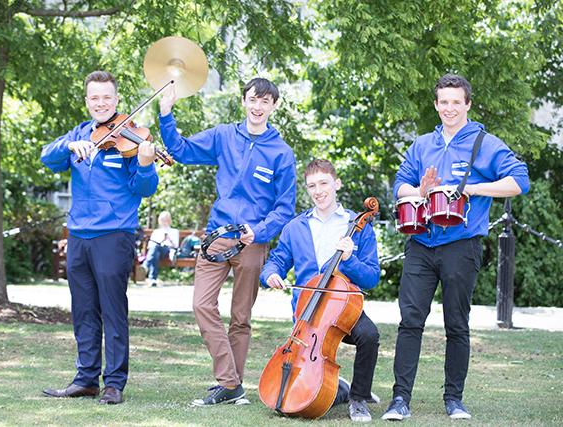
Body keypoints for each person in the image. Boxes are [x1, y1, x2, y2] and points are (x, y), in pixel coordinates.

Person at [382, 74, 530, 421]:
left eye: (456, 102)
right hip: (420, 243)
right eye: (443, 102)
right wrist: (419, 191)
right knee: (410, 322)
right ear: (436, 105)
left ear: (467, 105)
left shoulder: (486, 144)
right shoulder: (421, 145)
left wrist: (474, 190)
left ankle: (454, 400)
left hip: (461, 245)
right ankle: (400, 400)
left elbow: (519, 182)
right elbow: (399, 186)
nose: (449, 108)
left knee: (457, 324)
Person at [158, 78, 297, 406]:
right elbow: (180, 150)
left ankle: (229, 386)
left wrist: (260, 233)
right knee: (201, 304)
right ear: (244, 101)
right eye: (253, 99)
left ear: (274, 106)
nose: (258, 106)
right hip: (216, 235)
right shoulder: (223, 135)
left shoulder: (282, 152)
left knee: (240, 317)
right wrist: (166, 113)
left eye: (265, 101)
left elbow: (284, 207)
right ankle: (232, 383)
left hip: (252, 242)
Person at [40, 71, 159, 405]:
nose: (101, 103)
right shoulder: (80, 133)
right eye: (95, 98)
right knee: (83, 311)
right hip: (78, 234)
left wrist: (147, 164)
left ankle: (114, 383)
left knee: (112, 310)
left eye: (107, 97)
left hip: (114, 234)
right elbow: (47, 157)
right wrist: (67, 145)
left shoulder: (131, 139)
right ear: (87, 101)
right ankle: (86, 379)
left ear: (116, 99)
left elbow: (144, 188)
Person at [260, 159, 381, 422]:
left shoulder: (357, 225)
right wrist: (271, 274)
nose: (318, 190)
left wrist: (350, 260)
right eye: (312, 185)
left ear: (336, 184)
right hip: (307, 313)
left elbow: (372, 277)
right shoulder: (295, 227)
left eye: (324, 183)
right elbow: (278, 260)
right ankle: (339, 389)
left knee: (369, 335)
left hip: (342, 308)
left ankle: (358, 398)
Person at [142, 211, 180, 286]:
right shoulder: (156, 232)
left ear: (169, 221)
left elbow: (176, 246)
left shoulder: (174, 231)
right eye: (163, 220)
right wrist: (161, 240)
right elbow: (150, 245)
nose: (164, 222)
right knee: (156, 252)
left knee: (156, 247)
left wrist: (169, 239)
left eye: (166, 220)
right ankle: (153, 280)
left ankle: (146, 264)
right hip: (156, 251)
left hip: (168, 251)